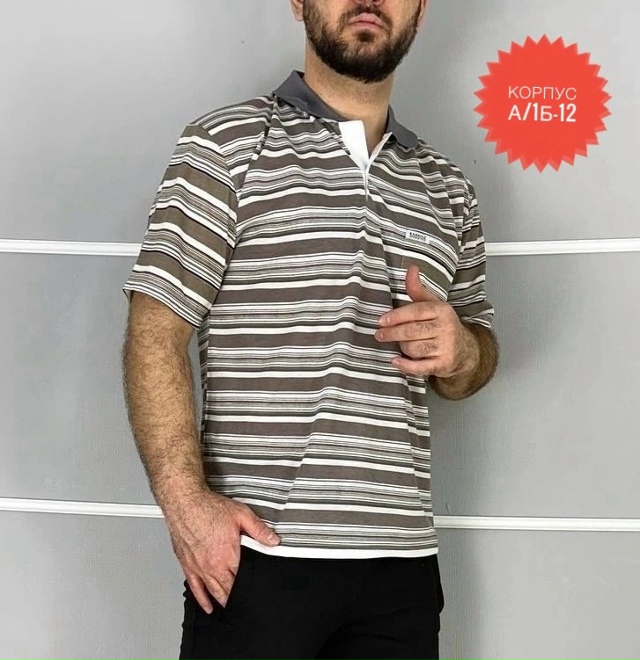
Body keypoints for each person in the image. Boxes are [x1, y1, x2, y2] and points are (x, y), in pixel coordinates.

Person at [122, 1, 498, 658]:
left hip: (403, 570)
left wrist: (462, 351)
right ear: (298, 2)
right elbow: (155, 332)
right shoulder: (225, 146)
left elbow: (475, 360)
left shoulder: (448, 188)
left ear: (420, 12)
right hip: (258, 560)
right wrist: (186, 506)